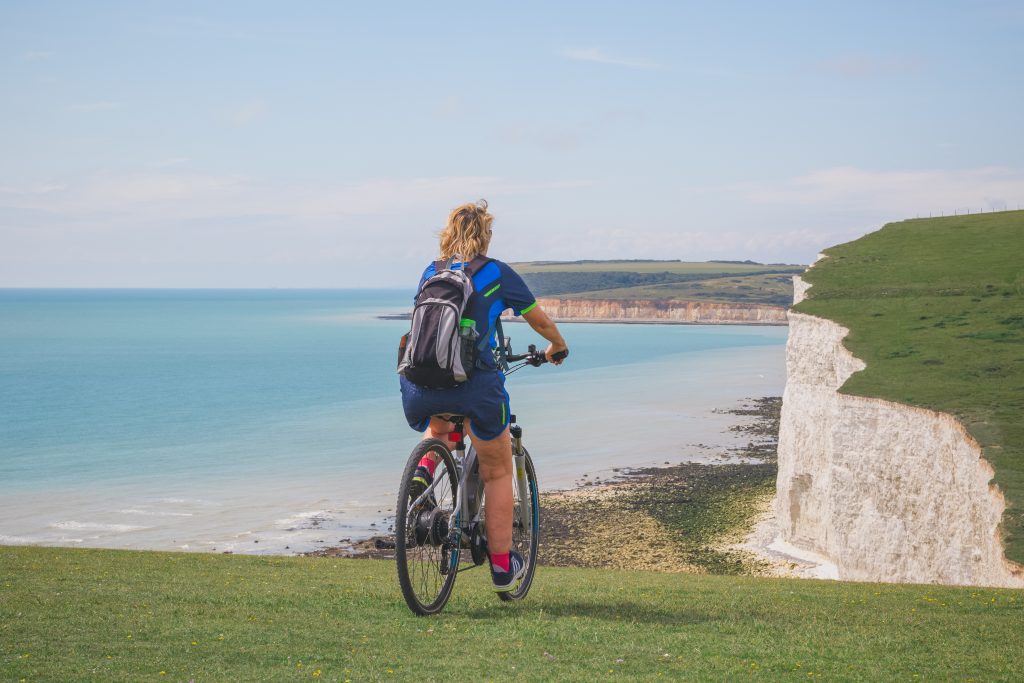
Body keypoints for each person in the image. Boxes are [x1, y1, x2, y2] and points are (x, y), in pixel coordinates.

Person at [399, 200, 568, 592]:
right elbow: (537, 319)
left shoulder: (431, 271)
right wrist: (557, 344)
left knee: (439, 429)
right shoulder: (495, 272)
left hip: (423, 384)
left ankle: (422, 474)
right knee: (496, 470)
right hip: (474, 385)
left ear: (447, 233)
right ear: (486, 234)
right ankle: (501, 567)